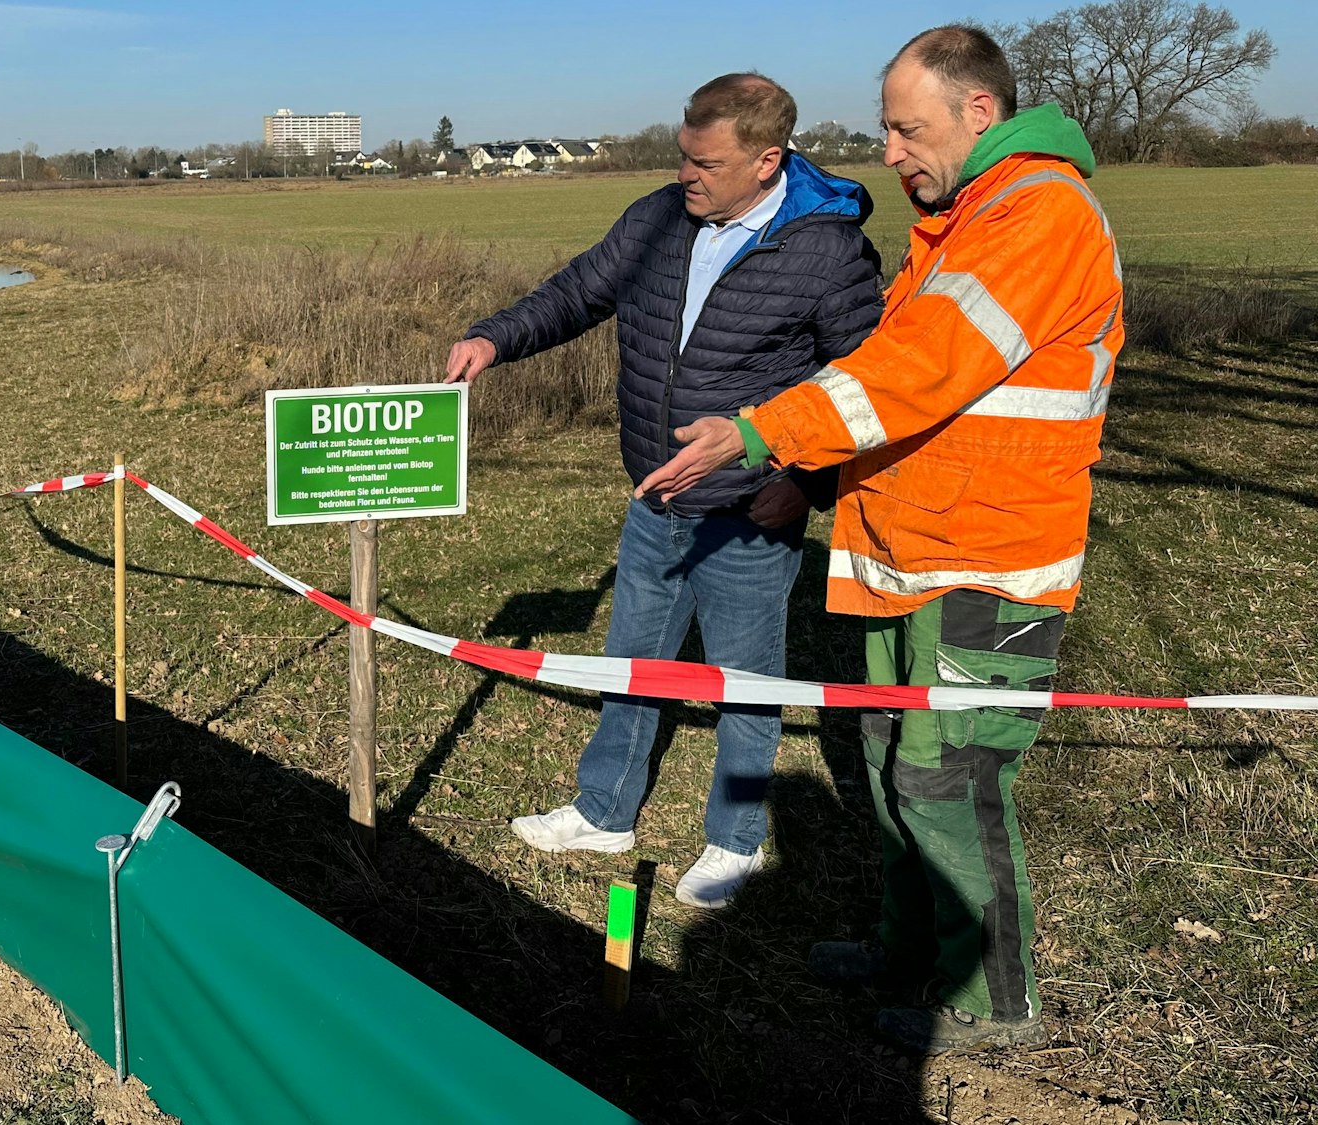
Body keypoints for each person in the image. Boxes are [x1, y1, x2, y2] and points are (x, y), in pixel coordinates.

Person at [638, 26, 1123, 1053]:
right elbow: (886, 379)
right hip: (905, 553)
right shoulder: (961, 221)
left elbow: (917, 371)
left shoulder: (1038, 216)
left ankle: (992, 1001)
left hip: (988, 563)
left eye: (906, 129)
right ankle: (908, 948)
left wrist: (763, 433)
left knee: (945, 782)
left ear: (977, 114)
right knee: (887, 762)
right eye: (886, 130)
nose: (890, 152)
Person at [444, 73, 883, 909]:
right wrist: (494, 339)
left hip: (750, 513)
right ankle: (605, 810)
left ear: (766, 160)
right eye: (682, 155)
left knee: (744, 684)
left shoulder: (828, 251)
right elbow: (577, 291)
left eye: (705, 163)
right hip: (653, 496)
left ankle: (737, 839)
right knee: (633, 661)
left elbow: (860, 383)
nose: (686, 175)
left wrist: (807, 483)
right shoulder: (657, 220)